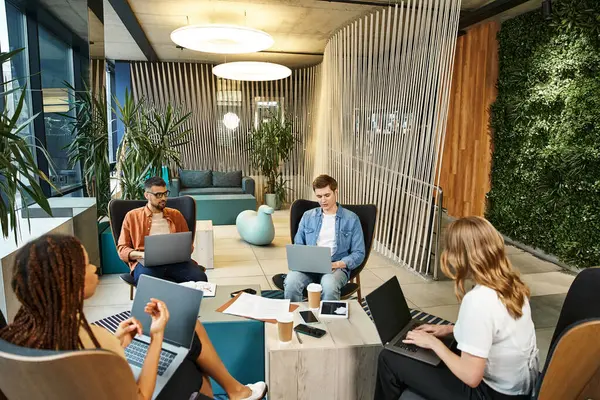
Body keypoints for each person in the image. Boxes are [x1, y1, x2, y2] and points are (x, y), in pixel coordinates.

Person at [0, 234, 267, 400]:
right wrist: (157, 335)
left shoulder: (15, 339)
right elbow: (141, 396)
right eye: (86, 264)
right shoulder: (94, 343)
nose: (94, 267)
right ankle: (235, 392)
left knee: (188, 355)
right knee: (189, 363)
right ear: (70, 283)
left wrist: (118, 342)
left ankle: (234, 392)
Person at [375, 216, 539, 400]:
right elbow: (494, 331)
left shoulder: (478, 300)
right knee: (429, 351)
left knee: (388, 359)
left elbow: (471, 377)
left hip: (490, 394)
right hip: (519, 387)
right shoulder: (512, 284)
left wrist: (433, 343)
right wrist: (448, 329)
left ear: (461, 256)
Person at [284, 174, 365, 301]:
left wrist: (337, 264)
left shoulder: (351, 219)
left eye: (327, 195)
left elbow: (359, 253)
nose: (323, 200)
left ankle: (328, 321)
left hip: (335, 267)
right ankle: (294, 318)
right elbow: (298, 244)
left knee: (329, 286)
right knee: (291, 282)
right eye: (319, 196)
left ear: (335, 192)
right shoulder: (307, 216)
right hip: (309, 266)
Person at [117, 176, 208, 285]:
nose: (164, 198)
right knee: (147, 282)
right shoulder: (132, 217)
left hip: (176, 262)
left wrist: (182, 252)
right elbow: (122, 250)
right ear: (147, 195)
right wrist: (143, 255)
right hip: (147, 264)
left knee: (200, 278)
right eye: (158, 195)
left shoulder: (176, 215)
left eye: (165, 193)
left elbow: (188, 246)